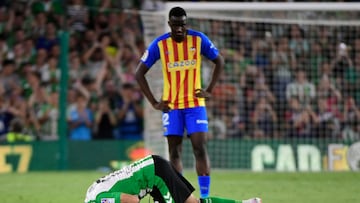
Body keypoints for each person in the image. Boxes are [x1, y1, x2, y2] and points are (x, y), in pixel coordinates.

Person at [135, 6, 224, 198]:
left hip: (195, 106)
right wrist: (154, 103)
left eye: (182, 25)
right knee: (174, 152)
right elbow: (139, 73)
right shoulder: (160, 45)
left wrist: (209, 90)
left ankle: (205, 196)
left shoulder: (198, 40)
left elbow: (220, 61)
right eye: (175, 25)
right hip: (172, 107)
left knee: (199, 148)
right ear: (169, 24)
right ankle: (180, 197)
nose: (179, 29)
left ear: (186, 24)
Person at [84, 155, 262, 203]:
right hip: (154, 170)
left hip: (155, 175)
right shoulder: (91, 194)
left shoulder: (98, 201)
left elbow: (131, 200)